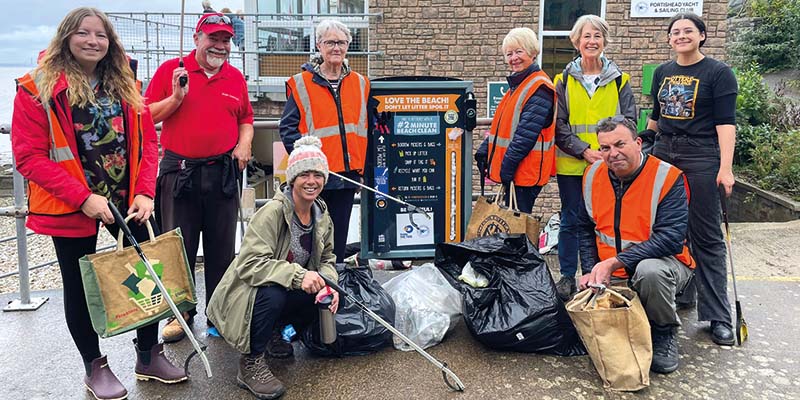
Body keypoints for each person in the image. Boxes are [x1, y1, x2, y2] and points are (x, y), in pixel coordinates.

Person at [11, 7, 187, 399]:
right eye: (83, 33)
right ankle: (95, 365)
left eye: (101, 35)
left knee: (148, 275)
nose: (93, 41)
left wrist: (144, 190)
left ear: (110, 42)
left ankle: (147, 354)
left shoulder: (123, 82)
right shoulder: (35, 88)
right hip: (71, 204)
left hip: (128, 200)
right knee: (79, 286)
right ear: (65, 37)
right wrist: (83, 198)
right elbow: (28, 157)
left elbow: (149, 141)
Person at [145, 12, 254, 342]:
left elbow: (246, 117)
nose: (219, 46)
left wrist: (245, 143)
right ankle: (180, 314)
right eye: (213, 38)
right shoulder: (171, 71)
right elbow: (145, 116)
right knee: (178, 249)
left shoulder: (235, 77)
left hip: (222, 172)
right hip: (180, 173)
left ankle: (217, 312)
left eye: (225, 40)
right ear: (196, 39)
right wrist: (176, 98)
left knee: (222, 249)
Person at [207, 136, 339, 400]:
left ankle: (274, 334)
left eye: (317, 174)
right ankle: (250, 363)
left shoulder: (321, 214)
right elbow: (250, 265)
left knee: (323, 293)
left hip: (285, 283)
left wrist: (329, 284)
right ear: (292, 179)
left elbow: (328, 258)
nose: (311, 181)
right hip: (247, 293)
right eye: (304, 175)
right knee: (273, 292)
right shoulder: (272, 212)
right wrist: (300, 276)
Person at [645, 12, 738, 346]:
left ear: (702, 35)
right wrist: (645, 140)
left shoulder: (718, 73)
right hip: (664, 152)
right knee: (668, 228)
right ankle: (684, 291)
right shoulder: (663, 73)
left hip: (701, 155)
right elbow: (656, 116)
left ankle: (718, 316)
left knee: (706, 235)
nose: (681, 36)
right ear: (669, 39)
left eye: (688, 31)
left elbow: (726, 123)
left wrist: (725, 168)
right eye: (675, 32)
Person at [577, 116, 694, 374]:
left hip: (666, 265)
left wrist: (613, 262)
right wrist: (589, 269)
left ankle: (664, 331)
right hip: (614, 271)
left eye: (620, 144)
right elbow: (585, 228)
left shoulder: (667, 177)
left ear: (638, 143)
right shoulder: (592, 174)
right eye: (605, 148)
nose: (613, 154)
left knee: (650, 272)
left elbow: (671, 238)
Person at [552, 15, 637, 301]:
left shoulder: (620, 80)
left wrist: (605, 153)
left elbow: (629, 121)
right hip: (573, 163)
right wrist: (584, 151)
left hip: (609, 164)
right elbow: (559, 124)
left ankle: (597, 273)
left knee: (607, 221)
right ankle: (566, 275)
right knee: (570, 219)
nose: (592, 41)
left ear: (605, 41)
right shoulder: (562, 80)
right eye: (586, 36)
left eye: (597, 36)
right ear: (576, 42)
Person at [280, 19, 369, 263]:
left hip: (347, 177)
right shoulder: (301, 83)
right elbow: (287, 129)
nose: (336, 48)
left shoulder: (361, 84)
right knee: (309, 240)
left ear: (348, 46)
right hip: (314, 178)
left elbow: (366, 130)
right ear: (319, 45)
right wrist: (307, 166)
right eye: (330, 42)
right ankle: (309, 291)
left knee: (337, 241)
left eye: (341, 42)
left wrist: (363, 171)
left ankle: (334, 292)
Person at [474, 27, 556, 214]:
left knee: (517, 228)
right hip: (518, 172)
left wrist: (507, 168)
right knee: (512, 226)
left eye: (519, 51)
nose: (513, 58)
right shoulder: (519, 86)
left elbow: (525, 136)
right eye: (509, 54)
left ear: (532, 52)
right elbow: (505, 128)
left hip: (525, 173)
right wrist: (485, 150)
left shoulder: (538, 88)